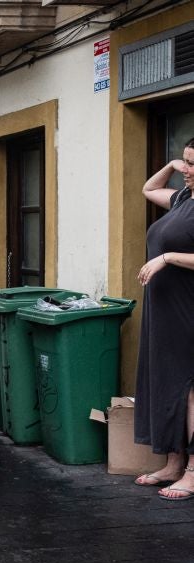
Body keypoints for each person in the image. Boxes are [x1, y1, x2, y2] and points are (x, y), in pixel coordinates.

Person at [134, 137, 194, 501]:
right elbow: (148, 188)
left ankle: (192, 472)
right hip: (165, 311)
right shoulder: (184, 197)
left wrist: (167, 258)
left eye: (192, 165)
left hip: (188, 309)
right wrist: (173, 166)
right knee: (169, 383)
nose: (187, 170)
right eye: (186, 162)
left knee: (189, 389)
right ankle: (174, 464)